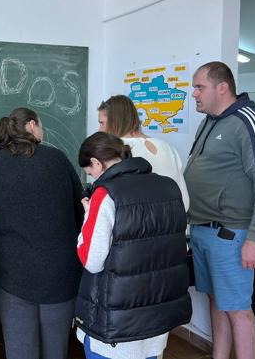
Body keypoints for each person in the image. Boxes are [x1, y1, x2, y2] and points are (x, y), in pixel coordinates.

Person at [184, 61, 255, 359]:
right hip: (203, 230)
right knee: (217, 301)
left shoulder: (251, 121)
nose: (194, 94)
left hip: (231, 234)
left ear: (222, 87)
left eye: (199, 87)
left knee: (239, 310)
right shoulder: (211, 121)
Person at [75, 132, 192, 359]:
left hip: (115, 328)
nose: (92, 180)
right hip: (156, 322)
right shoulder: (168, 187)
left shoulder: (104, 195)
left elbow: (92, 260)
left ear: (97, 163)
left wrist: (88, 217)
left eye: (90, 173)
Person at [0, 107, 84, 359]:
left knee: (20, 350)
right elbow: (80, 210)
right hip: (60, 271)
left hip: (12, 273)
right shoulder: (57, 159)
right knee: (56, 350)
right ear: (31, 126)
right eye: (40, 125)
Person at [97, 94, 189, 209]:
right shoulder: (167, 147)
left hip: (140, 224)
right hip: (175, 221)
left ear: (115, 121)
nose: (99, 130)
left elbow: (108, 203)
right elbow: (185, 201)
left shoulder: (116, 151)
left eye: (102, 123)